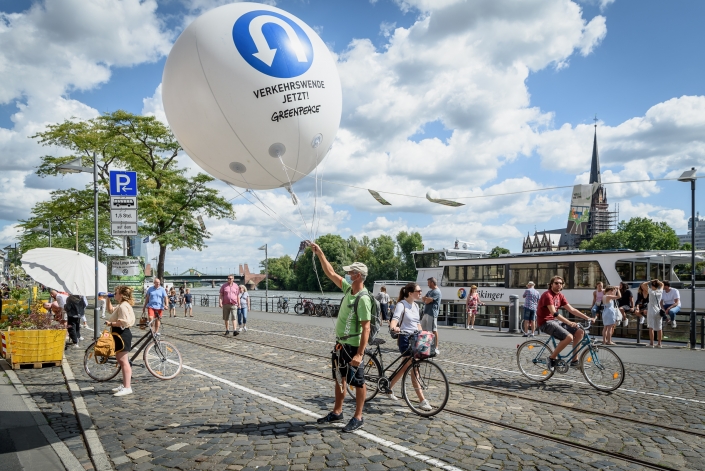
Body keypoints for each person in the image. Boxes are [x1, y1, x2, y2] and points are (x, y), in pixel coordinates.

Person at [310, 243, 371, 433]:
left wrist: (360, 354)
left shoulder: (363, 298)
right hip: (341, 345)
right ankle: (337, 412)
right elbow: (331, 273)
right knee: (339, 378)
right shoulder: (348, 289)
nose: (347, 274)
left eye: (350, 272)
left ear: (357, 275)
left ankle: (358, 417)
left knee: (358, 382)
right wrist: (320, 254)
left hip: (353, 346)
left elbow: (366, 327)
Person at [387, 282, 432, 411]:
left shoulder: (416, 306)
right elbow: (395, 319)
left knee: (404, 367)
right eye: (418, 291)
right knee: (414, 369)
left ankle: (388, 386)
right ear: (410, 293)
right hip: (405, 339)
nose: (421, 293)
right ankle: (422, 400)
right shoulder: (402, 305)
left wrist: (424, 334)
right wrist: (394, 327)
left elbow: (417, 324)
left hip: (416, 339)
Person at [537, 275, 596, 369]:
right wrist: (569, 322)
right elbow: (554, 313)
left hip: (555, 321)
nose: (559, 285)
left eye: (561, 283)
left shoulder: (560, 296)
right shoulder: (547, 295)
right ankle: (551, 359)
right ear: (551, 284)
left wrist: (588, 318)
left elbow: (572, 310)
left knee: (580, 332)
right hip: (546, 322)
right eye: (556, 283)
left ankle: (574, 361)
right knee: (569, 337)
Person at [104, 286, 136, 397]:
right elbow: (110, 310)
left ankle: (127, 387)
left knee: (123, 361)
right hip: (119, 334)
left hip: (122, 334)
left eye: (116, 293)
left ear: (121, 295)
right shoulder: (121, 305)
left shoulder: (123, 306)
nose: (114, 294)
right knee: (121, 360)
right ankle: (125, 385)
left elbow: (123, 322)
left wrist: (110, 323)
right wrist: (108, 298)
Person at [421, 277, 441, 354]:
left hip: (432, 313)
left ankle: (436, 347)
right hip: (426, 312)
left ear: (432, 283)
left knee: (433, 330)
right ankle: (424, 346)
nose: (428, 284)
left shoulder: (437, 292)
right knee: (423, 330)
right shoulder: (430, 291)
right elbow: (423, 299)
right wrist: (426, 299)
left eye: (428, 283)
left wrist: (426, 299)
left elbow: (426, 301)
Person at [647, 279, 664, 347]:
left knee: (651, 327)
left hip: (651, 310)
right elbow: (662, 284)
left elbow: (644, 284)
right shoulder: (660, 291)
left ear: (652, 286)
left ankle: (651, 343)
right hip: (658, 310)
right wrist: (657, 281)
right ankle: (659, 343)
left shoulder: (650, 291)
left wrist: (650, 281)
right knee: (659, 328)